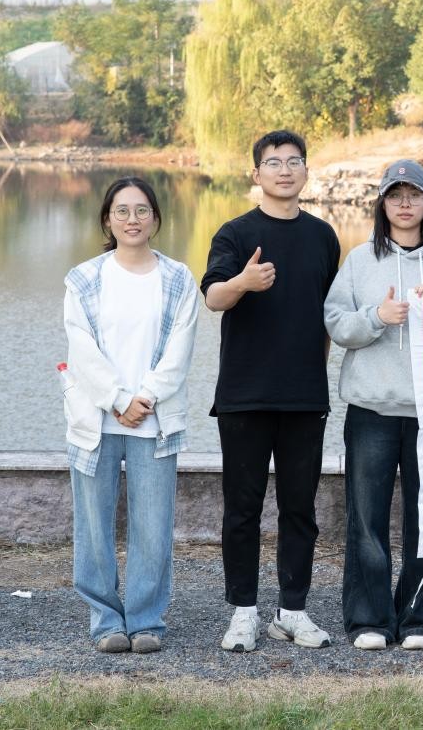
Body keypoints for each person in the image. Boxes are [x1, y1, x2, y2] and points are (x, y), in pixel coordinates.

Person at [201, 130, 341, 653]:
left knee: (300, 509)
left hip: (305, 396)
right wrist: (244, 283)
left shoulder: (323, 236)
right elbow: (213, 298)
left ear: (306, 171)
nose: (285, 170)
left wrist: (314, 372)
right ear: (256, 174)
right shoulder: (235, 233)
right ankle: (243, 612)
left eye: (294, 161)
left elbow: (327, 313)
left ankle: (293, 611)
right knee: (242, 509)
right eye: (274, 162)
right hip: (245, 395)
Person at [323, 159, 423, 652]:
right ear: (382, 203)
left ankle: (418, 619)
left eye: (414, 195)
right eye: (395, 195)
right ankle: (369, 618)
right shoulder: (360, 260)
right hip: (372, 409)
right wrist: (377, 316)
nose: (405, 204)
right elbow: (336, 323)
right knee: (367, 518)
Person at [62, 177, 199, 654]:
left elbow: (181, 348)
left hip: (154, 422)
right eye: (122, 211)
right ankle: (105, 621)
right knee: (93, 526)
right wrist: (119, 399)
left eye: (142, 210)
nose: (132, 219)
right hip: (96, 420)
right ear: (108, 219)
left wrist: (147, 396)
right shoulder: (84, 279)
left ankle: (145, 621)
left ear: (156, 218)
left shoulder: (178, 278)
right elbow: (81, 348)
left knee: (152, 527)